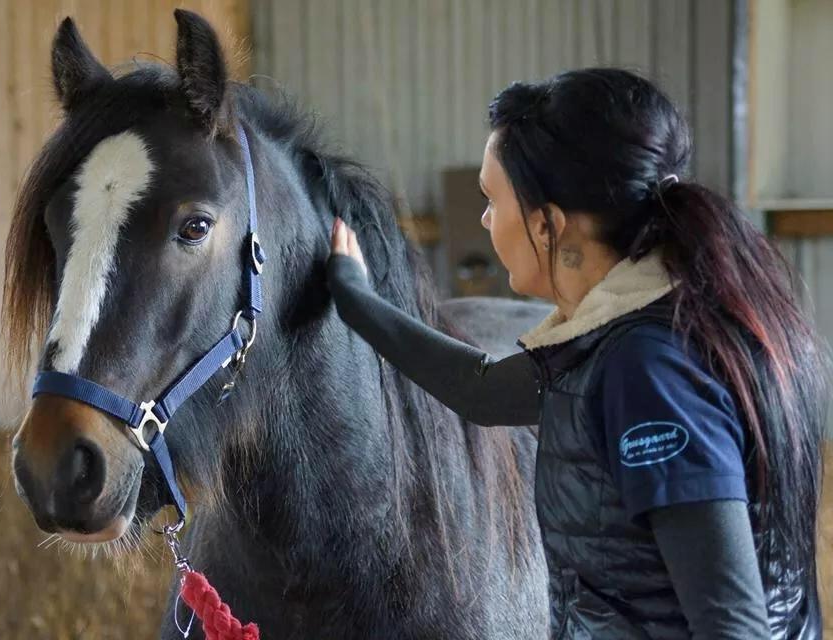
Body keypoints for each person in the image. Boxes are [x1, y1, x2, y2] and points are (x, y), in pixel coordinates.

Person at [326, 68, 826, 639]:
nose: (486, 220)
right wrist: (356, 299)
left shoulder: (650, 370)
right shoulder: (616, 339)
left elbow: (731, 627)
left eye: (492, 200)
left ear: (549, 223)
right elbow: (480, 389)